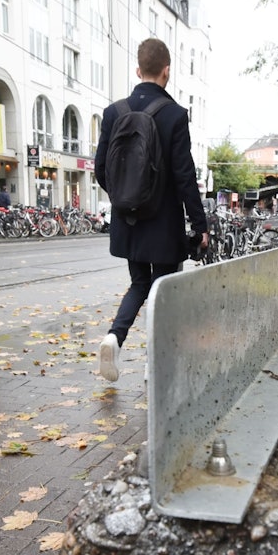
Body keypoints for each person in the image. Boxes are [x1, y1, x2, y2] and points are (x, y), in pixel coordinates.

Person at [93, 39, 208, 382]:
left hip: (129, 219)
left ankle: (114, 338)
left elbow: (101, 169)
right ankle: (153, 364)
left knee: (139, 283)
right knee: (162, 290)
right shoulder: (175, 115)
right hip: (164, 222)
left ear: (138, 69)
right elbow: (184, 176)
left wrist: (126, 198)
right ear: (166, 71)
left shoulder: (114, 112)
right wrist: (199, 224)